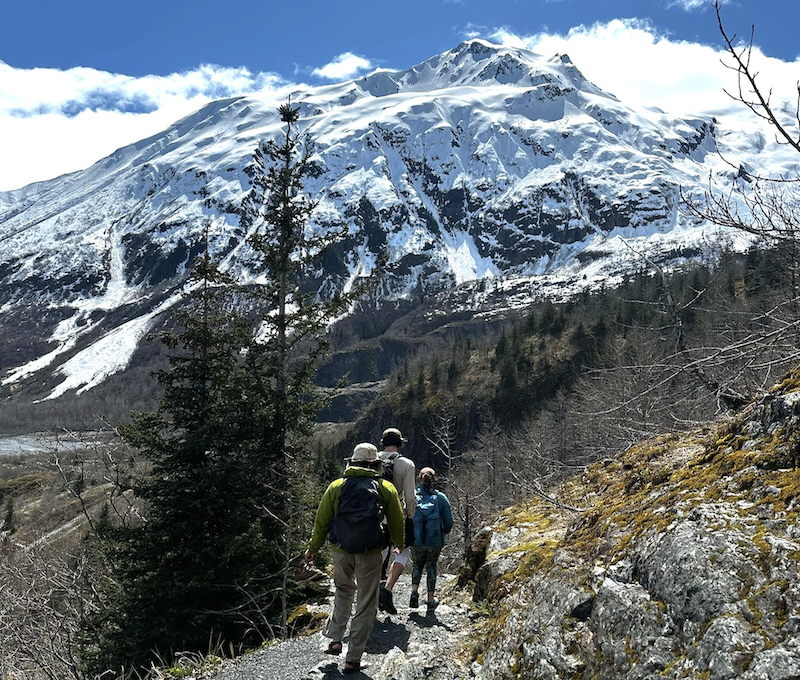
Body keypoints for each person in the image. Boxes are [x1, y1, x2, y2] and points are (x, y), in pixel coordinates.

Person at [305, 442, 404, 674]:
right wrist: (399, 544)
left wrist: (313, 549)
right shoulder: (385, 488)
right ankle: (353, 658)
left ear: (352, 462)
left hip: (340, 551)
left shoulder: (337, 486)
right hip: (370, 553)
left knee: (343, 590)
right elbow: (396, 521)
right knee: (366, 601)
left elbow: (322, 522)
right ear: (375, 464)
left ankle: (336, 639)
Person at [378, 427, 416, 615]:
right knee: (403, 551)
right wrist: (409, 516)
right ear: (400, 443)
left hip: (371, 515)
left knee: (379, 553)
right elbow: (410, 496)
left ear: (383, 442)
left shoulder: (370, 460)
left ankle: (372, 590)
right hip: (395, 513)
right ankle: (387, 589)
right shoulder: (406, 464)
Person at [410, 467, 453, 611]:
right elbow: (449, 521)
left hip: (416, 539)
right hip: (435, 540)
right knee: (431, 567)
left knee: (417, 564)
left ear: (419, 478)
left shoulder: (412, 496)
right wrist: (443, 533)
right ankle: (430, 599)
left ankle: (414, 592)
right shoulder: (441, 498)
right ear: (434, 479)